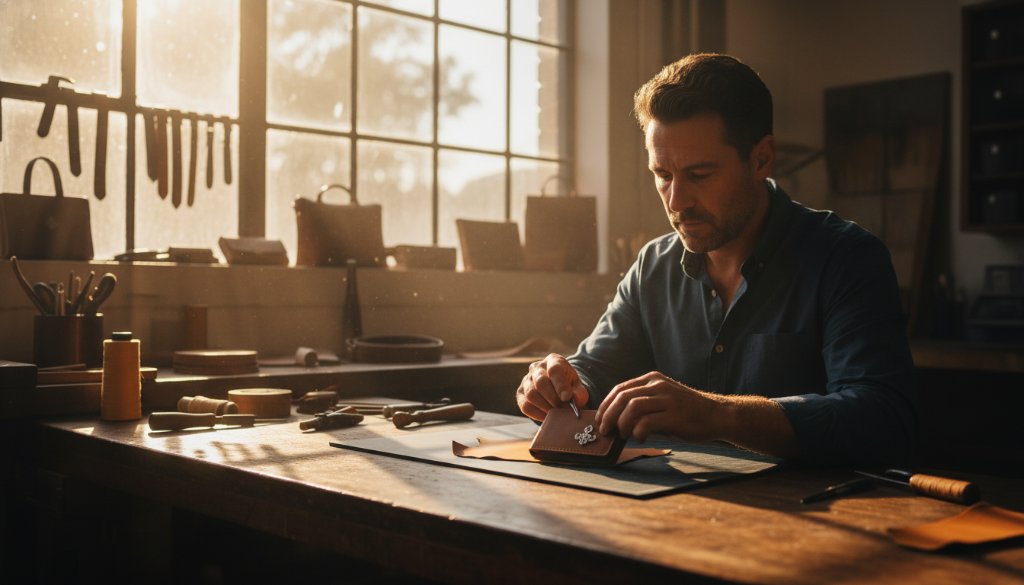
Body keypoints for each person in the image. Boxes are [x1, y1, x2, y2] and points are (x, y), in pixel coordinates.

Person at [515, 53, 916, 467]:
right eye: (663, 175)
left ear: (761, 159)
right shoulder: (653, 266)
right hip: (673, 512)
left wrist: (717, 415)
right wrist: (558, 381)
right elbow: (596, 368)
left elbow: (882, 419)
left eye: (700, 175)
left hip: (811, 516)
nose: (677, 201)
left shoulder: (847, 258)